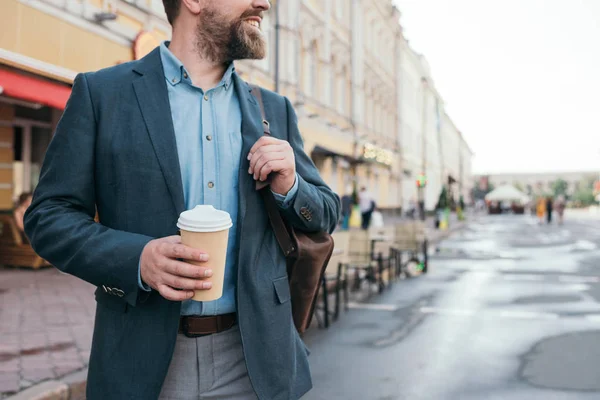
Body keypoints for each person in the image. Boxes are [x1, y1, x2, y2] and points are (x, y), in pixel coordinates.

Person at [24, 1, 340, 399]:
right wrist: (137, 259)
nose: (264, 2)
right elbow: (48, 217)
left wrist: (290, 186)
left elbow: (326, 212)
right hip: (142, 361)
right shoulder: (102, 94)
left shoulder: (272, 109)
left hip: (255, 361)